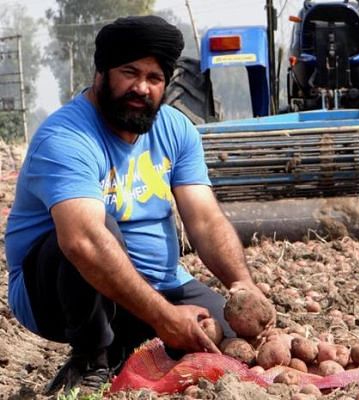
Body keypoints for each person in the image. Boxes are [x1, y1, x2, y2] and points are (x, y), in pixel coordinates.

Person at [4, 15, 267, 395]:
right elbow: (83, 241)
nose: (141, 88)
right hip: (54, 291)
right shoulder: (66, 136)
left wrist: (243, 286)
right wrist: (165, 319)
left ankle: (131, 342)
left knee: (225, 341)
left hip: (159, 285)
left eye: (154, 78)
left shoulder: (177, 130)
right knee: (96, 229)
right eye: (130, 72)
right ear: (102, 72)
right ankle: (91, 358)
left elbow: (206, 221)